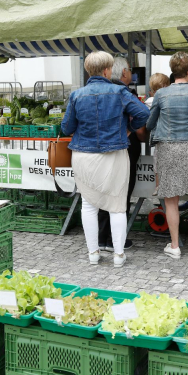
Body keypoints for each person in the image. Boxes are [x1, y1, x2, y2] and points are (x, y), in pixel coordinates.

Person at [61, 51, 149, 267]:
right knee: (117, 204)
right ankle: (119, 255)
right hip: (115, 154)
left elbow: (66, 128)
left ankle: (93, 253)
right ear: (107, 70)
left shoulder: (77, 95)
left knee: (88, 204)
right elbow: (144, 114)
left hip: (83, 155)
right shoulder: (120, 91)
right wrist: (126, 129)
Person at [147, 52, 188, 259]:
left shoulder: (161, 94)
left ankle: (174, 246)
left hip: (168, 148)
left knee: (171, 200)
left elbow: (150, 124)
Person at [97, 56, 146, 253]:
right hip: (124, 149)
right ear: (124, 73)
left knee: (103, 193)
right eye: (129, 70)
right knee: (121, 195)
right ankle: (116, 240)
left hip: (101, 148)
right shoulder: (125, 94)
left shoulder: (96, 93)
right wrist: (130, 129)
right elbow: (143, 117)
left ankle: (101, 238)